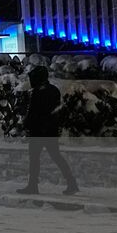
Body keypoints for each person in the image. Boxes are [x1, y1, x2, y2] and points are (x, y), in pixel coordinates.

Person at [17, 65, 79, 195]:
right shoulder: (52, 90)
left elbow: (34, 113)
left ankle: (33, 186)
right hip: (50, 130)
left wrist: (27, 125)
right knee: (55, 157)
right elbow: (55, 112)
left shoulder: (39, 92)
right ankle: (71, 183)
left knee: (35, 159)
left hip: (39, 131)